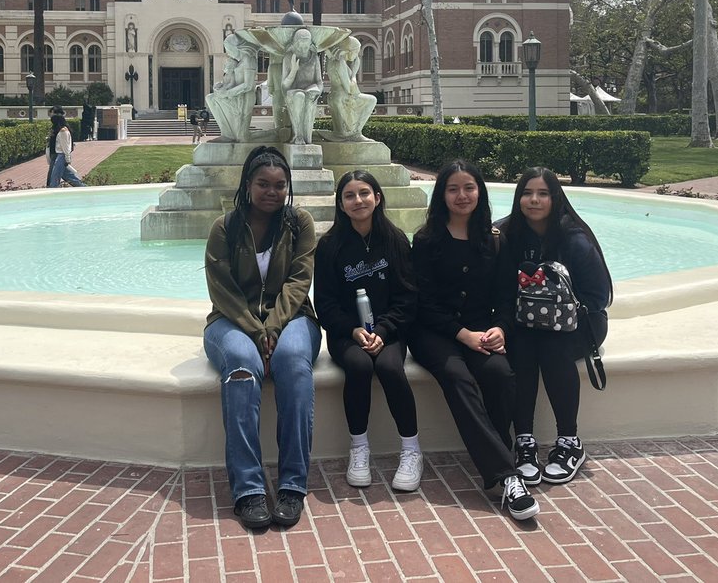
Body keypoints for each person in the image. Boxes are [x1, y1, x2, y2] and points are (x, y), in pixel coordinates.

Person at [407, 159, 539, 521]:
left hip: (482, 330)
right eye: (453, 189)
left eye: (469, 188)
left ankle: (496, 454)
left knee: (500, 374)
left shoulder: (495, 240)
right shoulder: (426, 240)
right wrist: (463, 335)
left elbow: (507, 298)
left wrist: (501, 329)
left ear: (480, 192)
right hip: (434, 333)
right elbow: (423, 304)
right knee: (457, 377)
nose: (462, 195)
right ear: (442, 195)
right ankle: (507, 475)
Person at [203, 146, 321, 529]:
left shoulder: (299, 223)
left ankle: (292, 486)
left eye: (280, 185)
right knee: (241, 363)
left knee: (293, 362)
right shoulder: (225, 228)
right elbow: (222, 290)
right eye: (263, 184)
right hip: (231, 321)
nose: (272, 191)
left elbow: (299, 281)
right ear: (248, 184)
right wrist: (257, 331)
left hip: (293, 318)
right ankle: (248, 490)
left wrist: (273, 327)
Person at [498, 167, 612, 487]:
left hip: (581, 324)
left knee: (551, 347)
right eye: (527, 193)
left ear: (555, 198)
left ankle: (569, 442)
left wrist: (562, 312)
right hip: (527, 324)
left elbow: (598, 297)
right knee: (521, 348)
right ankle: (524, 441)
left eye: (543, 194)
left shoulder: (573, 238)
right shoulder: (507, 234)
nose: (534, 200)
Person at [314, 171, 422, 491]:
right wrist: (352, 330)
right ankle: (359, 448)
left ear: (377, 197)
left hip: (389, 331)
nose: (358, 200)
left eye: (364, 193)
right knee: (359, 366)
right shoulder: (329, 246)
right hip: (346, 334)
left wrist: (384, 331)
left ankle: (411, 449)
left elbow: (407, 297)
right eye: (349, 195)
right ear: (341, 204)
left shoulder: (395, 240)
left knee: (390, 367)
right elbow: (325, 303)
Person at [281, 28, 322, 145]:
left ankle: (307, 137)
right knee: (300, 96)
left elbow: (319, 81)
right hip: (292, 93)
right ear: (296, 44)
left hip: (310, 91)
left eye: (306, 46)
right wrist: (293, 70)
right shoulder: (289, 57)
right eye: (301, 46)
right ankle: (297, 135)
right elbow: (284, 85)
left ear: (310, 45)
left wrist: (318, 91)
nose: (303, 49)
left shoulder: (314, 58)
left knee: (308, 97)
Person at [46, 114, 85, 187]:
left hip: (62, 156)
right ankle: (83, 187)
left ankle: (53, 189)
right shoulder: (62, 131)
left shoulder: (63, 131)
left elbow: (65, 147)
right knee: (69, 176)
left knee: (55, 177)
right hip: (61, 155)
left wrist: (67, 158)